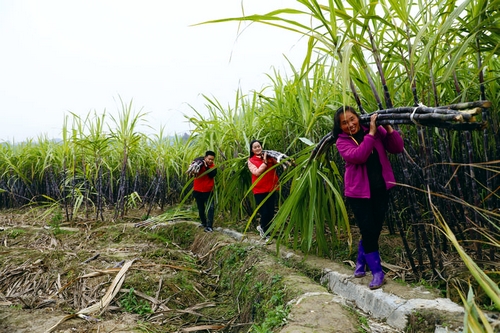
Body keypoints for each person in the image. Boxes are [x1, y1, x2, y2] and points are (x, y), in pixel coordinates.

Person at [333, 106, 404, 289]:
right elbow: (359, 156)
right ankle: (377, 272)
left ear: (358, 117)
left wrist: (388, 129)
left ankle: (360, 260)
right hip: (358, 193)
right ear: (339, 127)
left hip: (381, 188)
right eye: (344, 122)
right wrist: (372, 134)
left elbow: (397, 148)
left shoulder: (374, 129)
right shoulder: (341, 141)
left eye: (352, 119)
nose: (350, 124)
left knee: (374, 230)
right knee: (368, 229)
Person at [247, 140, 280, 241]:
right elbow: (256, 173)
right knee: (264, 212)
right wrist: (265, 162)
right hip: (259, 190)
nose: (257, 148)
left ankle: (264, 229)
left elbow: (278, 164)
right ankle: (265, 232)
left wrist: (274, 157)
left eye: (259, 146)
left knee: (270, 212)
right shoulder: (251, 161)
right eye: (255, 147)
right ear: (252, 150)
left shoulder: (269, 157)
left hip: (271, 188)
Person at [190, 151, 217, 232]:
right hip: (198, 190)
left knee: (210, 209)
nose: (210, 161)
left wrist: (207, 167)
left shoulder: (213, 167)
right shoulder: (198, 165)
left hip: (208, 191)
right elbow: (193, 172)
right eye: (209, 159)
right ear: (205, 158)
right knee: (201, 208)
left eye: (212, 159)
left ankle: (209, 226)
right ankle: (203, 223)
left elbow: (212, 174)